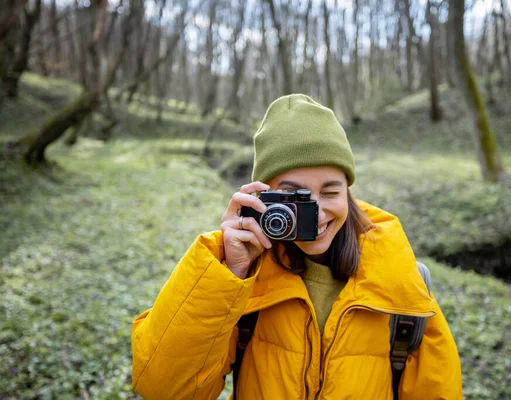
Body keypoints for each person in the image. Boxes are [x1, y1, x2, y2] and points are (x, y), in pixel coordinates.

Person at [131, 94, 462, 399]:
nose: (315, 212)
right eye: (293, 197)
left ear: (348, 192)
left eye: (330, 192)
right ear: (261, 196)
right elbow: (164, 389)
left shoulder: (398, 281)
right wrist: (228, 273)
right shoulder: (240, 279)